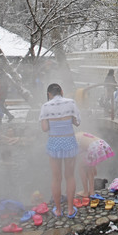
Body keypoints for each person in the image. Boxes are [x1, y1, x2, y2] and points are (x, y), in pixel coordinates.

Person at [39, 83, 81, 219]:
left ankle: (57, 210)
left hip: (54, 143)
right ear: (62, 91)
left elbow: (45, 128)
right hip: (69, 142)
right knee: (70, 176)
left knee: (56, 178)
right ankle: (69, 209)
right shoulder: (71, 103)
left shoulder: (46, 106)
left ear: (49, 94)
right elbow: (77, 122)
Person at [76, 131, 115, 197]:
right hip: (101, 144)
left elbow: (81, 151)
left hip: (94, 147)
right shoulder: (80, 134)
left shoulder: (75, 139)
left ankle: (85, 191)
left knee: (81, 167)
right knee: (89, 168)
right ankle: (91, 191)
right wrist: (93, 165)